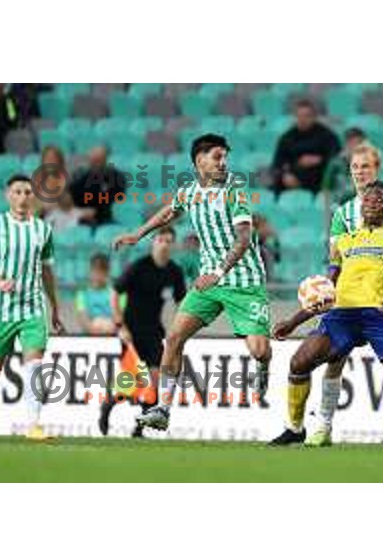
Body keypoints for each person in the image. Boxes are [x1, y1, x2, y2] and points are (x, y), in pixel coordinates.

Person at [113, 133, 271, 432]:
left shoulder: (234, 192)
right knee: (173, 339)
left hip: (244, 281)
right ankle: (162, 409)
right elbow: (168, 212)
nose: (223, 163)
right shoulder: (189, 192)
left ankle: (264, 367)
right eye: (217, 157)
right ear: (200, 161)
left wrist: (220, 271)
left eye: (225, 157)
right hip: (209, 282)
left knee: (259, 350)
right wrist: (138, 234)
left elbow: (243, 239)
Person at [270, 184, 383, 449]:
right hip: (342, 315)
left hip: (381, 316)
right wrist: (293, 321)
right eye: (367, 199)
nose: (370, 203)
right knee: (299, 363)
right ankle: (295, 429)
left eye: (378, 199)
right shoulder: (344, 241)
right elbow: (326, 288)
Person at [269, 143, 383, 446]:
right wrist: (320, 297)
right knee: (330, 358)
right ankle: (317, 425)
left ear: (377, 169)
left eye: (366, 166)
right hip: (348, 301)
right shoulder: (343, 213)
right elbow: (335, 264)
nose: (359, 172)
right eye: (354, 167)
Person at [0, 174, 64, 440]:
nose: (23, 197)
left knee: (34, 365)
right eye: (18, 192)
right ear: (8, 196)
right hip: (2, 309)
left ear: (33, 197)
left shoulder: (42, 230)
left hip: (33, 308)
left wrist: (54, 308)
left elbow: (46, 272)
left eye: (27, 192)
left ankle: (33, 425)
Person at [98, 226, 186, 436]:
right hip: (131, 331)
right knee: (131, 383)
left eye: (168, 241)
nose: (164, 245)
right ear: (153, 242)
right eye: (160, 240)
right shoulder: (139, 267)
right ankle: (108, 406)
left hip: (154, 332)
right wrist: (120, 326)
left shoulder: (174, 271)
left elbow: (181, 302)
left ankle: (139, 429)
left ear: (172, 245)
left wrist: (181, 326)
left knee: (155, 381)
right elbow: (114, 292)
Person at [272, 99, 340, 194]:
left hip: (319, 179)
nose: (302, 120)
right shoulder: (287, 138)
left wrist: (319, 160)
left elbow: (336, 157)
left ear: (314, 117)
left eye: (307, 116)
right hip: (292, 180)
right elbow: (277, 163)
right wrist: (285, 175)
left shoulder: (327, 135)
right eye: (299, 116)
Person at [70, 146, 127, 226]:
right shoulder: (81, 178)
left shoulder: (116, 177)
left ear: (105, 160)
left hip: (106, 219)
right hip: (83, 221)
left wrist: (96, 211)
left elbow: (115, 199)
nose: (95, 164)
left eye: (99, 160)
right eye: (93, 161)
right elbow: (73, 198)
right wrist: (81, 211)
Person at [321, 127, 367, 201]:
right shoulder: (335, 163)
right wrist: (327, 211)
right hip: (338, 206)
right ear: (345, 143)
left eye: (358, 143)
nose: (355, 147)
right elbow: (326, 188)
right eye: (351, 143)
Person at [75, 254, 116, 335]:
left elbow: (119, 319)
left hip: (111, 336)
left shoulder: (116, 294)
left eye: (102, 270)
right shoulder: (82, 295)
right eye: (95, 270)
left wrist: (109, 329)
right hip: (90, 338)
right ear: (90, 271)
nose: (98, 274)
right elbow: (83, 319)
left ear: (107, 272)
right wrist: (95, 332)